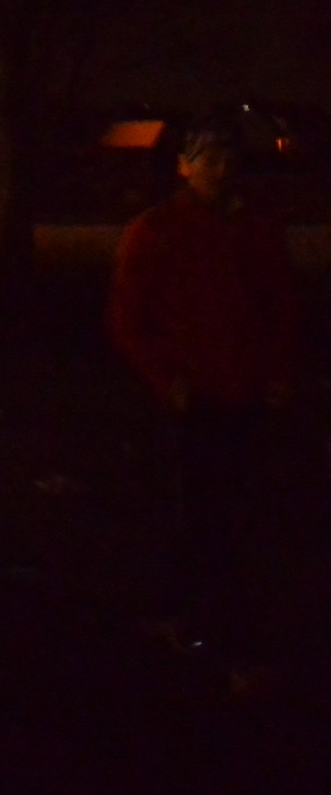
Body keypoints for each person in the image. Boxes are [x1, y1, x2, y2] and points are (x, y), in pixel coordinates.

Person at [109, 114, 300, 690]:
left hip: (246, 393)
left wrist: (278, 373)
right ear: (183, 167)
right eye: (207, 160)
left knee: (215, 514)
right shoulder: (156, 231)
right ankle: (237, 646)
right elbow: (128, 320)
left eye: (227, 161)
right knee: (213, 519)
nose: (220, 171)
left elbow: (280, 307)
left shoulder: (255, 228)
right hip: (191, 400)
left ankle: (172, 612)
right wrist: (168, 382)